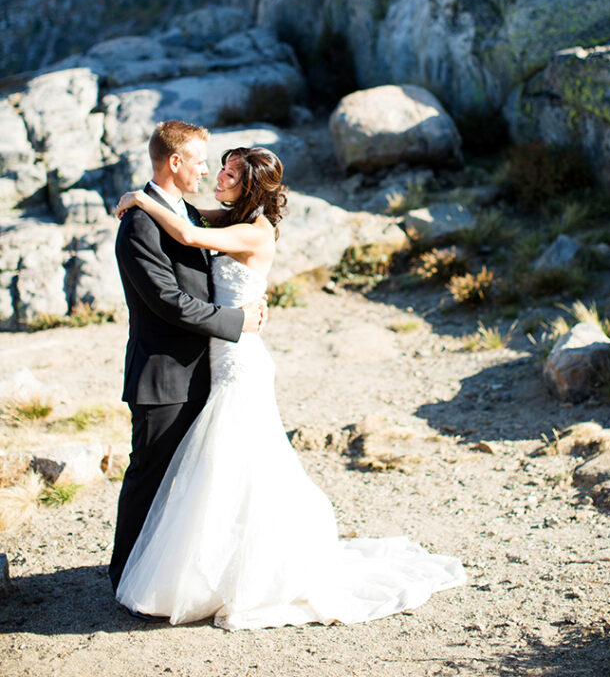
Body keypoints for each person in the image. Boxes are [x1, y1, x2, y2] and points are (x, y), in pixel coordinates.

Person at [114, 144, 466, 629]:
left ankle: (245, 570)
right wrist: (155, 200)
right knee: (220, 467)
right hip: (219, 354)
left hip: (239, 357)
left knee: (238, 462)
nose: (220, 175)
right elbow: (188, 214)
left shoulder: (254, 231)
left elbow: (188, 231)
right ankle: (214, 561)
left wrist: (139, 197)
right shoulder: (233, 216)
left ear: (250, 185)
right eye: (220, 167)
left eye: (231, 173)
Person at [109, 120, 265, 594]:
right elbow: (169, 301)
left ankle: (173, 574)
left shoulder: (185, 213)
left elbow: (200, 233)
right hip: (164, 376)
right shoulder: (140, 224)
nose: (206, 171)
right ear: (175, 162)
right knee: (150, 478)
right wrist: (237, 321)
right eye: (200, 161)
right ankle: (127, 579)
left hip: (207, 371)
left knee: (195, 483)